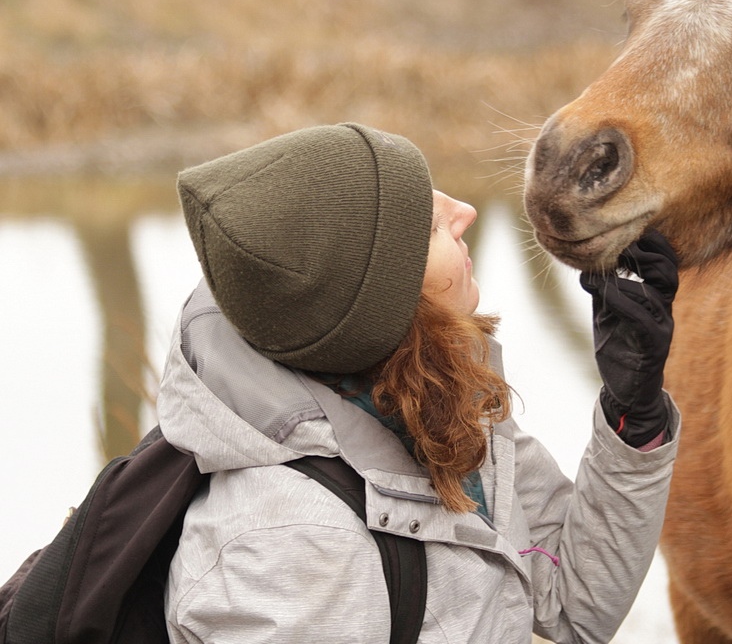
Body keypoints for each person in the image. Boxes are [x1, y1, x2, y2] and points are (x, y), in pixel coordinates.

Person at [158, 122, 680, 643]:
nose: (465, 212)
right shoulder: (295, 546)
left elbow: (572, 607)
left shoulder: (432, 403)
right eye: (429, 226)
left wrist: (632, 416)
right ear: (379, 300)